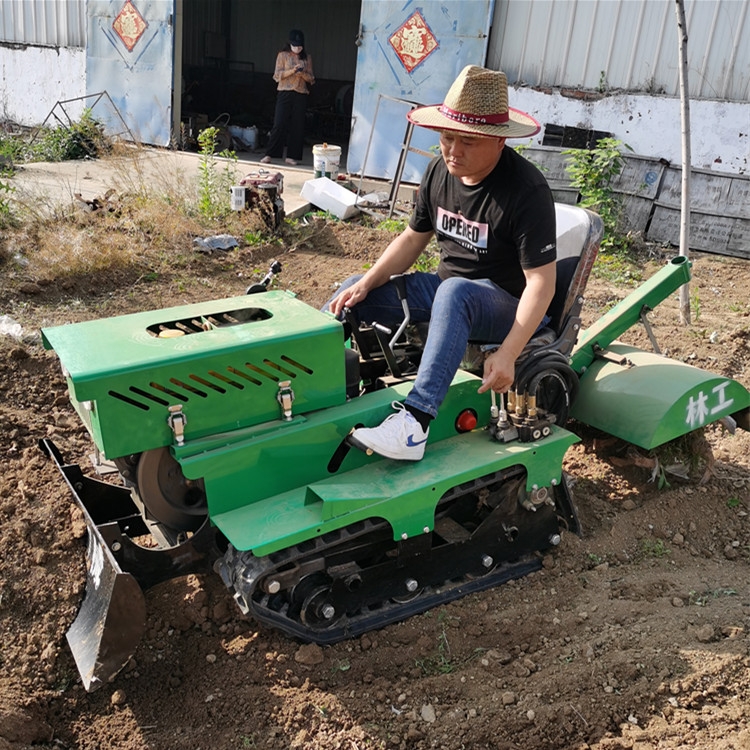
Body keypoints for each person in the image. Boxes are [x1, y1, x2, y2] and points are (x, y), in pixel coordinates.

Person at [328, 65, 557, 461]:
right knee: (353, 291)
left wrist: (508, 352)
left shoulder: (526, 190)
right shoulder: (438, 171)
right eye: (447, 137)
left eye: (467, 141)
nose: (453, 150)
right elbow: (412, 239)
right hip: (448, 293)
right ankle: (305, 373)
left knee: (455, 293)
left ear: (498, 141)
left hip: (504, 304)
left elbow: (542, 283)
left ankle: (414, 423)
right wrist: (368, 281)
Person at [261, 29, 314, 166]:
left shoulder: (307, 58)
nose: (298, 48)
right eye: (295, 45)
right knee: (279, 123)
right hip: (284, 92)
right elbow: (277, 76)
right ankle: (270, 154)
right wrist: (293, 70)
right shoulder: (282, 55)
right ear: (290, 44)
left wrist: (302, 73)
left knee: (297, 125)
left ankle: (292, 156)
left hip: (301, 93)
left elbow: (311, 78)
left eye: (300, 46)